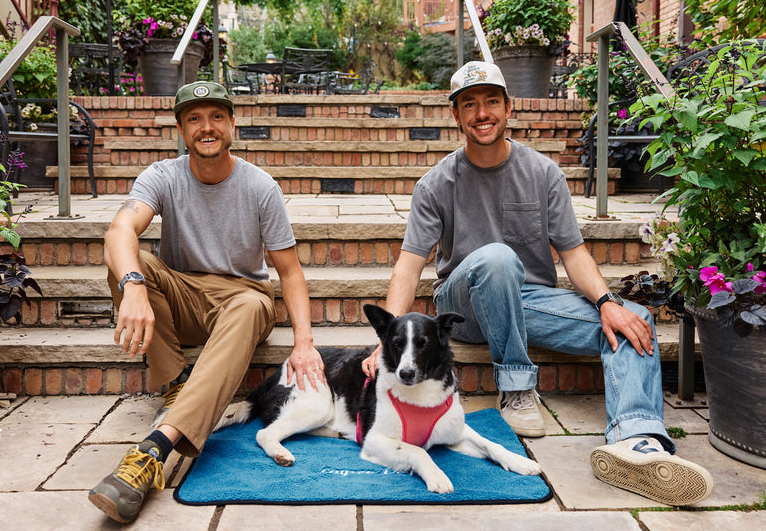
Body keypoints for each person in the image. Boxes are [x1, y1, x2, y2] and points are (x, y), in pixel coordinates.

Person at [363, 61, 713, 506]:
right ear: (456, 115)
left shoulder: (543, 173)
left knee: (635, 318)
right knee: (497, 257)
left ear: (509, 107)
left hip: (528, 302)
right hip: (464, 305)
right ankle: (517, 389)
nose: (481, 113)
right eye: (469, 104)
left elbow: (573, 253)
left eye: (491, 101)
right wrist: (388, 339)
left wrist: (607, 302)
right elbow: (409, 266)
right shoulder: (436, 184)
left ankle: (636, 442)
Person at [89, 81, 324, 523]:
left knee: (253, 305)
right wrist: (135, 285)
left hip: (241, 297)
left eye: (216, 116)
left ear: (233, 124)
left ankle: (154, 451)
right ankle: (178, 382)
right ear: (181, 129)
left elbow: (289, 271)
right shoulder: (163, 175)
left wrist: (305, 342)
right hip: (182, 292)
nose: (207, 127)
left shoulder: (260, 186)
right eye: (194, 118)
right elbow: (119, 231)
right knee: (128, 258)